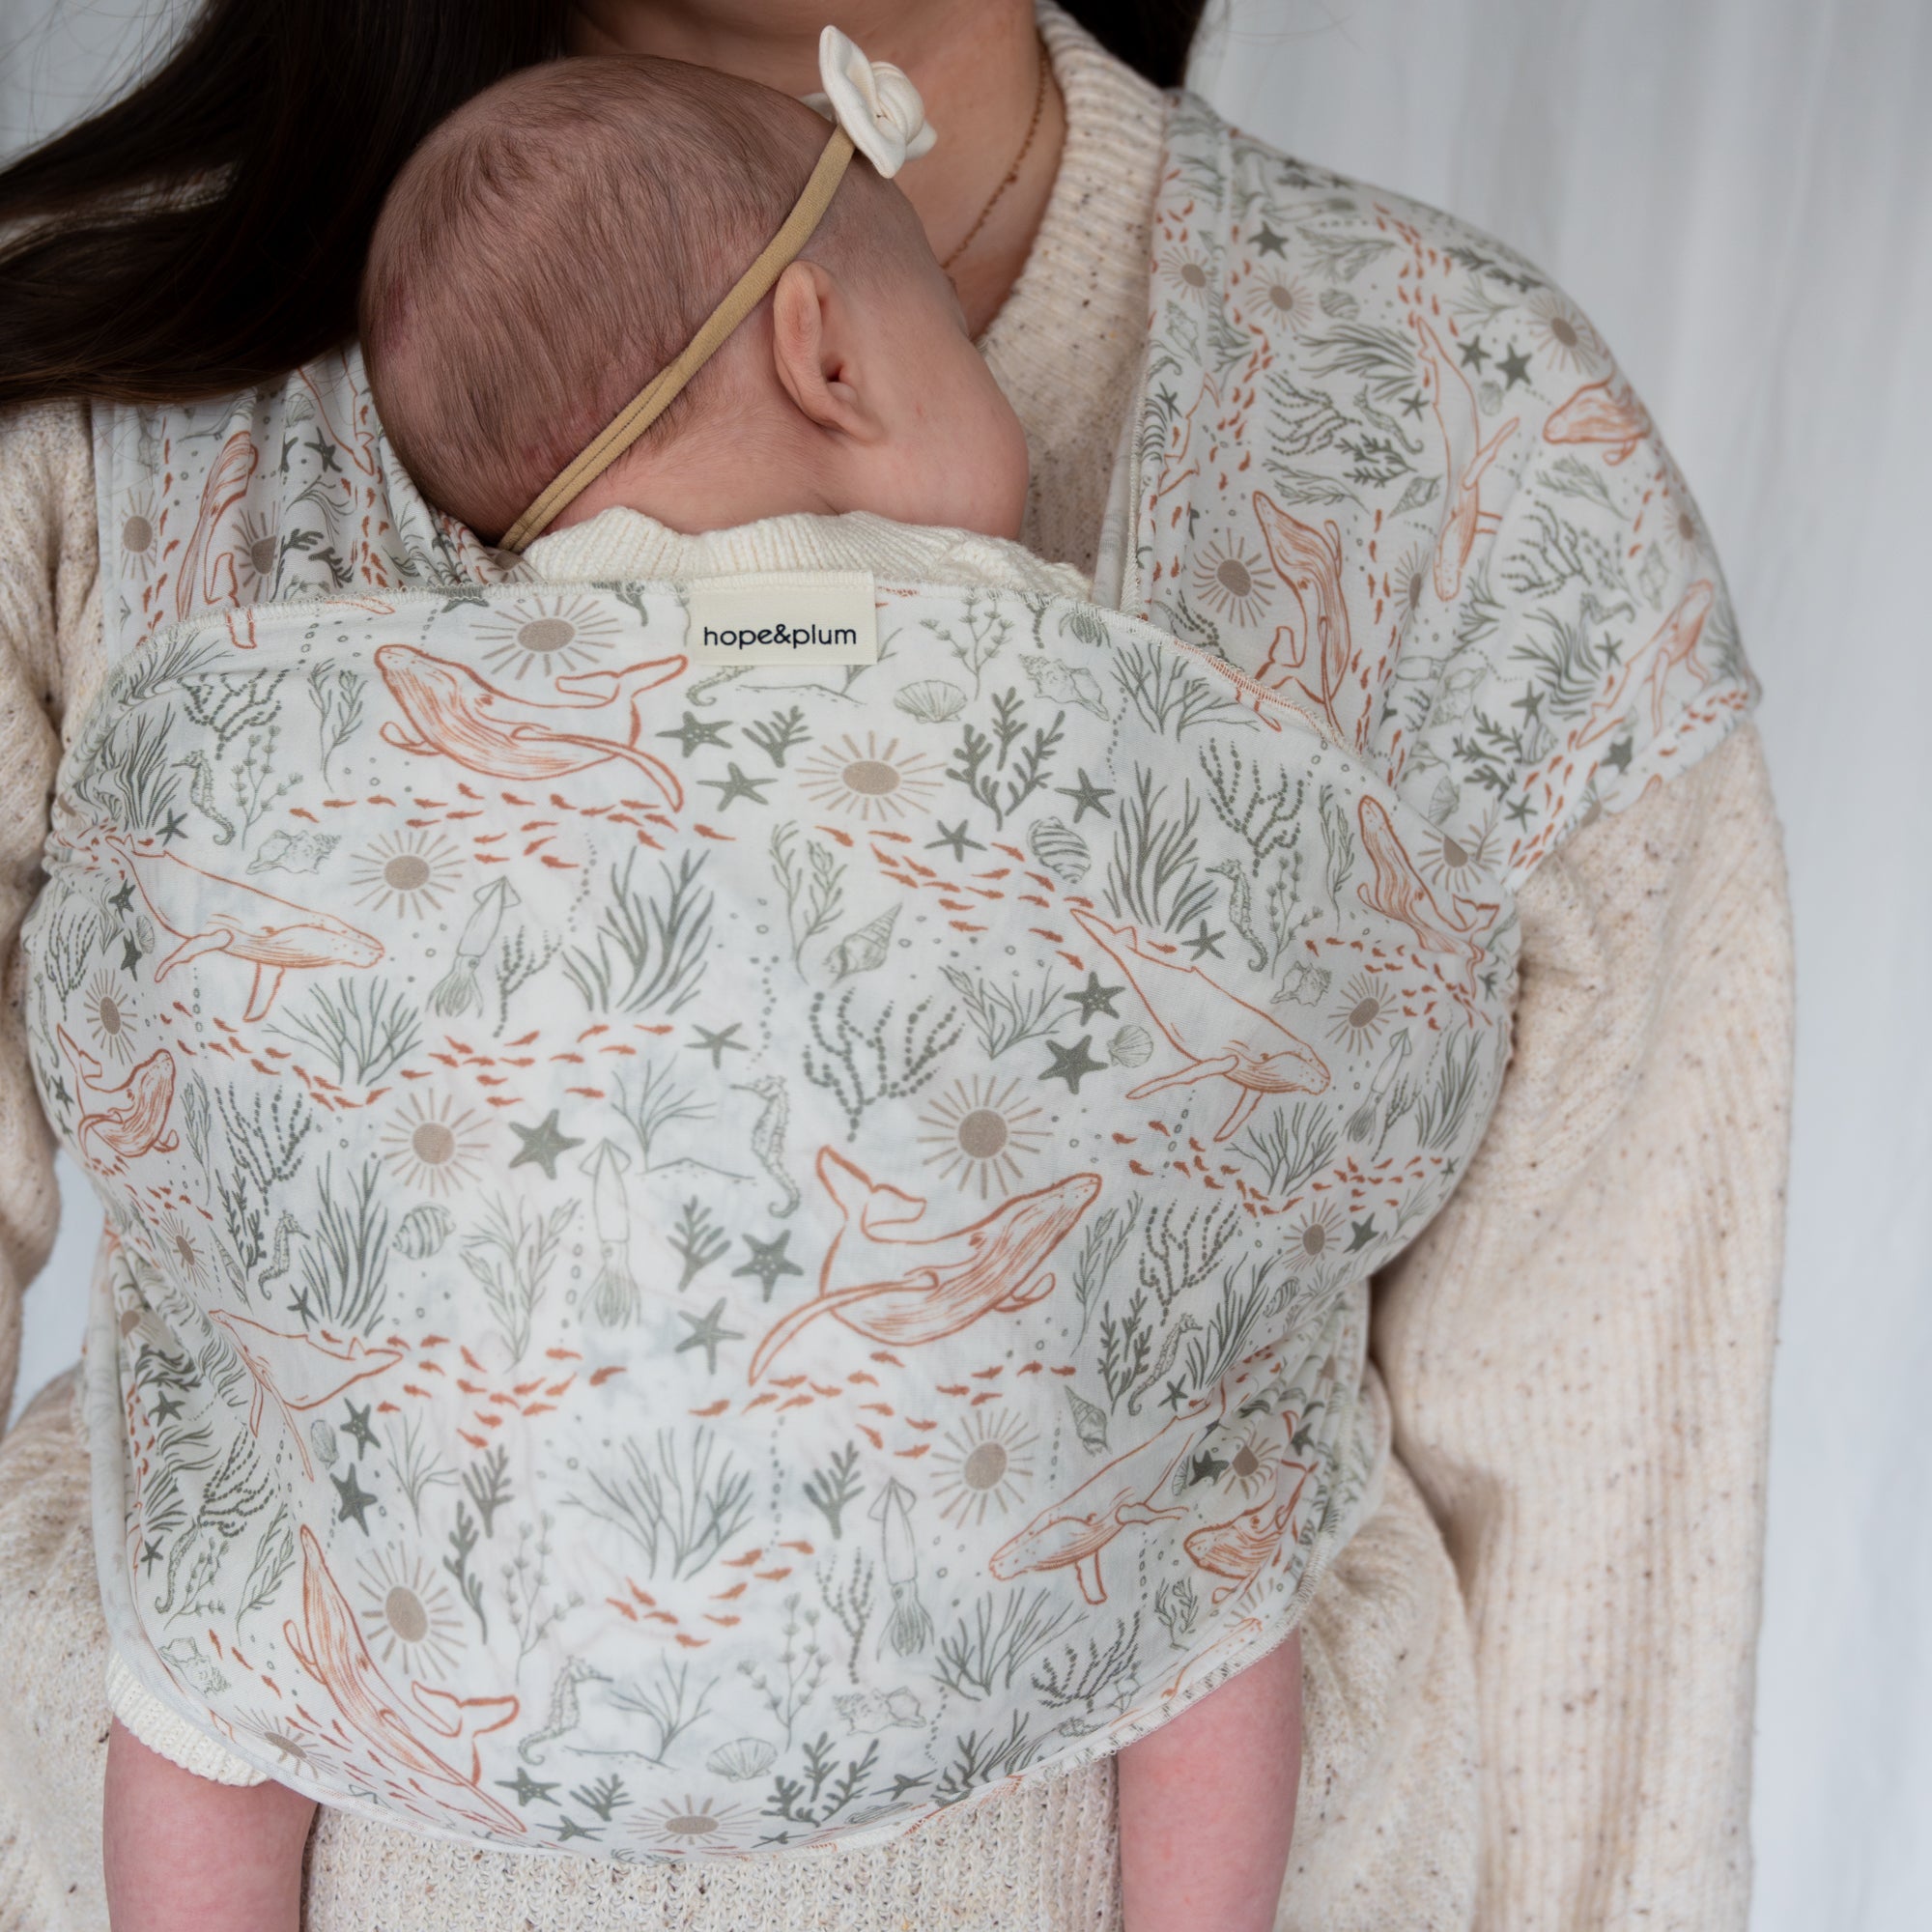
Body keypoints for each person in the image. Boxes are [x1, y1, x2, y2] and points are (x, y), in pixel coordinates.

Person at [0, 4, 1792, 1931]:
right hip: (1115, 1622)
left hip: (298, 1660)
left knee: (194, 1686)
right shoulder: (87, 388)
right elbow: (1336, 991)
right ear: (831, 347)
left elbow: (1610, 1594)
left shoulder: (1473, 437)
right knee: (1209, 1591)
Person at [95, 42, 1303, 1930]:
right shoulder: (1032, 671)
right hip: (954, 1547)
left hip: (463, 1583)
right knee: (1220, 1536)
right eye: (966, 354)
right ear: (829, 353)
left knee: (201, 1644)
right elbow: (1252, 952)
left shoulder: (422, 709)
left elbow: (226, 1013)